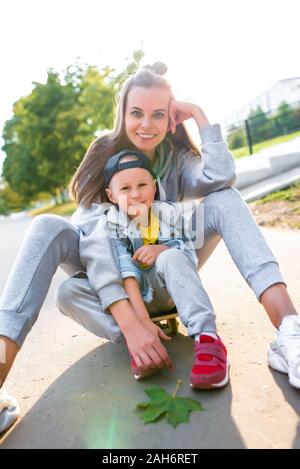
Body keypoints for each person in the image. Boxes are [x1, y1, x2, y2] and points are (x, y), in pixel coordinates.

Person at [0, 61, 299, 434]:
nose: (147, 124)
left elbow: (220, 178)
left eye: (159, 114)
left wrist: (199, 117)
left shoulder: (178, 157)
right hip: (108, 272)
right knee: (50, 233)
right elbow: (95, 241)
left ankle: (290, 332)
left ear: (171, 118)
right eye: (137, 113)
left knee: (225, 199)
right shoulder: (104, 154)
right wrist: (132, 322)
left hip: (167, 265)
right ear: (122, 113)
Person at [90, 148, 228, 387]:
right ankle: (140, 345)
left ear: (154, 187)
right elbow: (126, 273)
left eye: (142, 184)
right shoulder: (112, 225)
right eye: (125, 188)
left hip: (167, 292)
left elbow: (189, 255)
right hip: (134, 305)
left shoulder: (170, 214)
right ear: (111, 196)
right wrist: (142, 322)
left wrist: (161, 250)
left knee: (172, 257)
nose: (135, 194)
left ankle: (208, 337)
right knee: (70, 291)